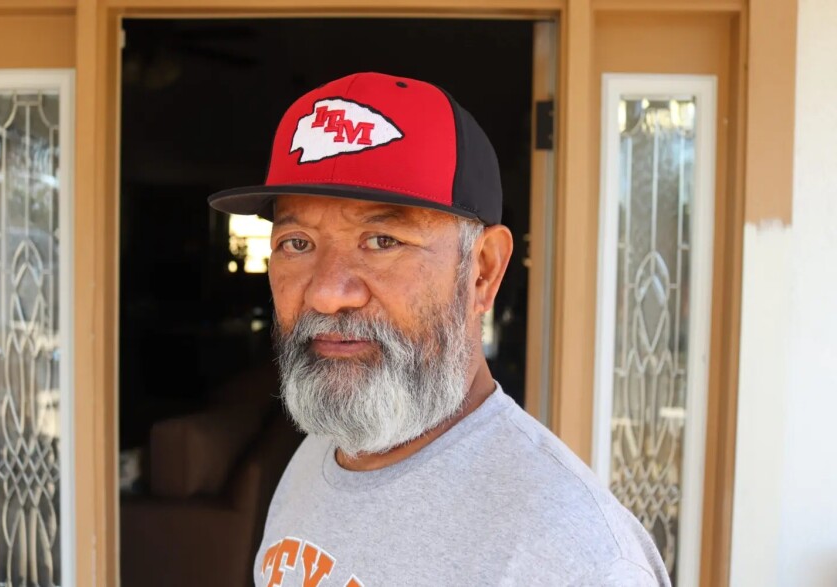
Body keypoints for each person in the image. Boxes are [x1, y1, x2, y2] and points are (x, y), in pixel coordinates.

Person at [209, 72, 670, 587]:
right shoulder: (326, 446)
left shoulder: (571, 555)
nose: (326, 292)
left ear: (482, 271)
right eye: (297, 243)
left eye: (382, 240)